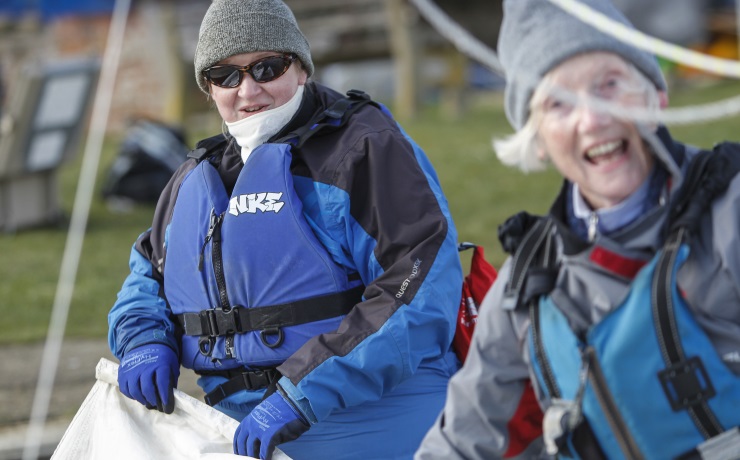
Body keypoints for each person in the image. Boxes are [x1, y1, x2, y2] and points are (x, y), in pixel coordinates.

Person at [107, 0, 463, 459]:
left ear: (301, 69)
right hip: (240, 433)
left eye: (267, 67)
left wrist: (305, 389)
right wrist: (142, 338)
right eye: (226, 76)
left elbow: (421, 286)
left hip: (374, 422)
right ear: (209, 89)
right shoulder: (198, 175)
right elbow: (146, 274)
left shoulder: (363, 150)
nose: (248, 90)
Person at [415, 0, 740, 458]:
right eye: (558, 103)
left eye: (609, 85)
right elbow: (465, 439)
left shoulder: (729, 209)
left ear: (656, 95)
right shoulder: (525, 289)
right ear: (538, 138)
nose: (592, 118)